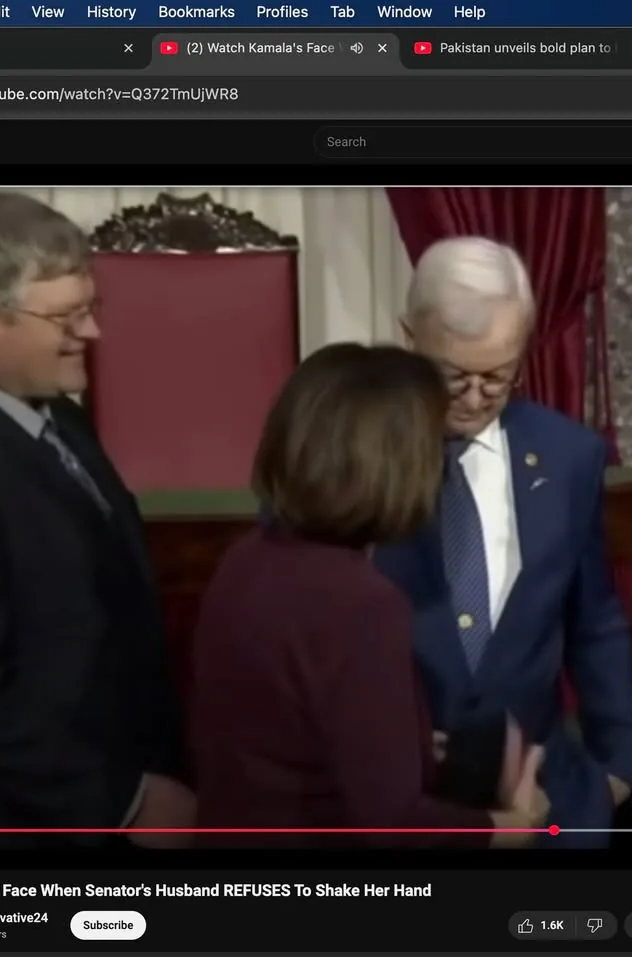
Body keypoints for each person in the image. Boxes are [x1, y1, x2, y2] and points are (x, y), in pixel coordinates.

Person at [191, 343, 550, 846]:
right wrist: (512, 827)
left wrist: (409, 747)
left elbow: (291, 741)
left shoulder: (248, 558)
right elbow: (392, 824)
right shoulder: (360, 604)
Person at [375, 236, 632, 848]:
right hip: (405, 811)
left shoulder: (569, 456)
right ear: (408, 337)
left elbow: (595, 621)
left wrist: (620, 770)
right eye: (453, 377)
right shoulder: (356, 457)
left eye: (497, 377)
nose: (474, 399)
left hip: (550, 803)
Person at [0, 193, 193, 846]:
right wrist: (123, 802)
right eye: (66, 315)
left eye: (91, 308)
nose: (92, 333)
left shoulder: (60, 415)